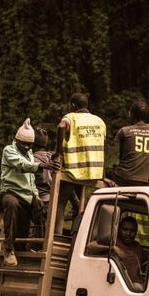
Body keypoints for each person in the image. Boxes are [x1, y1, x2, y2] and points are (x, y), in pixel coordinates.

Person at [0, 118, 60, 266]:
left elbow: (31, 180)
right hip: (10, 193)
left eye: (30, 144)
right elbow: (22, 165)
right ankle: (7, 249)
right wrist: (42, 165)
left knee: (26, 228)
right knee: (11, 204)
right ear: (17, 140)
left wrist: (36, 196)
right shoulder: (9, 150)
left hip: (26, 197)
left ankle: (27, 249)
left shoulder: (30, 154)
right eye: (24, 144)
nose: (27, 147)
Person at [54, 92, 107, 234]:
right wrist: (103, 174)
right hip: (93, 173)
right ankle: (76, 238)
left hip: (74, 170)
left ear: (72, 105)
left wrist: (58, 151)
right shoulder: (99, 121)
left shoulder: (70, 117)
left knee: (60, 203)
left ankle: (57, 238)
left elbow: (60, 127)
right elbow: (101, 146)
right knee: (81, 205)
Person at [107, 100, 149, 186]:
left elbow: (115, 159)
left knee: (104, 171)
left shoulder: (124, 131)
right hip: (144, 181)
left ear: (132, 115)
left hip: (123, 178)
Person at [86, 216, 147, 286]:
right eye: (125, 229)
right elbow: (90, 246)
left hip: (138, 285)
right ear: (118, 229)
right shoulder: (113, 241)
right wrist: (113, 248)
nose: (128, 233)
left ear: (136, 232)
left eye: (132, 231)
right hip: (120, 285)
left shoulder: (137, 246)